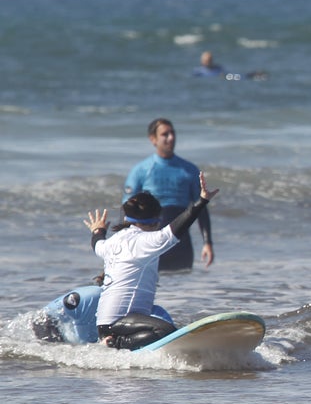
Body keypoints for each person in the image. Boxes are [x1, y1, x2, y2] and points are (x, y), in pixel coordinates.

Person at [86, 172, 219, 350]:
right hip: (120, 325)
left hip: (105, 323)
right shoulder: (144, 241)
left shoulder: (113, 242)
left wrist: (97, 231)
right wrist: (202, 200)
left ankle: (116, 340)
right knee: (163, 331)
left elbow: (97, 245)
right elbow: (178, 227)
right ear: (156, 220)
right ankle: (115, 343)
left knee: (162, 321)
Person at [123, 118, 214, 271]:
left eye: (172, 133)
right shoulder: (141, 170)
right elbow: (127, 209)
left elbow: (201, 208)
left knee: (182, 291)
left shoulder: (189, 170)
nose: (171, 138)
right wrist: (124, 244)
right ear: (153, 139)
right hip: (150, 245)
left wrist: (207, 242)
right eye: (165, 134)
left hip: (181, 245)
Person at [32, 284, 172, 345]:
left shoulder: (151, 309)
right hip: (51, 328)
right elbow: (42, 318)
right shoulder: (89, 297)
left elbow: (171, 333)